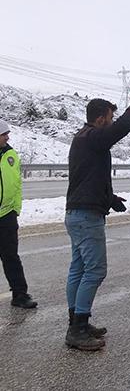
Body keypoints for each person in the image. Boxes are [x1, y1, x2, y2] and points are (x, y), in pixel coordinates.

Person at [64, 95, 130, 351]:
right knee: (95, 271)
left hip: (77, 213)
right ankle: (77, 329)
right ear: (100, 119)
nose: (111, 121)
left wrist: (109, 198)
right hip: (86, 217)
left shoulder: (84, 139)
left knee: (78, 269)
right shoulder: (92, 137)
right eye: (109, 117)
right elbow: (119, 129)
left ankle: (76, 323)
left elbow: (87, 178)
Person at [0, 120, 37, 309]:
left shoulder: (11, 155)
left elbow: (17, 184)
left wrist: (16, 209)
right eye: (3, 134)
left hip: (6, 215)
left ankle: (20, 294)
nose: (7, 137)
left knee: (11, 257)